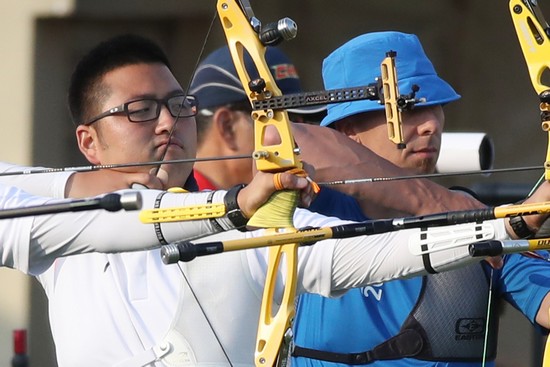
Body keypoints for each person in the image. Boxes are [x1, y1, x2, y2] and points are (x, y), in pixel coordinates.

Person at [7, 33, 546, 367]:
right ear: (88, 142)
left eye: (178, 104)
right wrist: (236, 202)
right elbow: (120, 217)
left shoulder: (253, 227)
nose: (170, 122)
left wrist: (508, 226)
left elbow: (346, 255)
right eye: (140, 110)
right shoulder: (51, 225)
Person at [291, 31, 550, 367]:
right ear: (347, 130)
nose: (430, 124)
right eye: (407, 109)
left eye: (435, 107)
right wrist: (431, 201)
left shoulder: (479, 220)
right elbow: (285, 139)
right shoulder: (312, 207)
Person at [191, 45, 326, 190]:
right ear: (228, 127)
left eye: (305, 122)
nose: (298, 135)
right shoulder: (181, 205)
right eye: (285, 120)